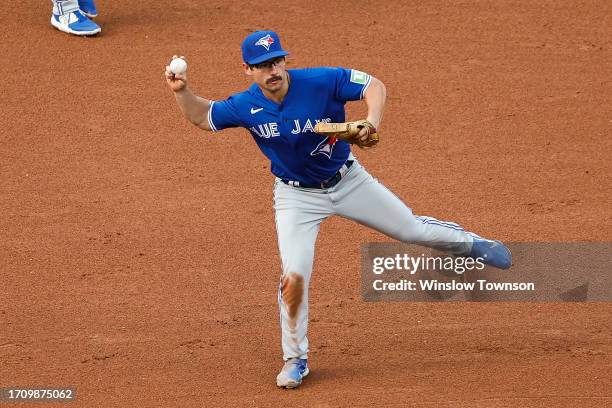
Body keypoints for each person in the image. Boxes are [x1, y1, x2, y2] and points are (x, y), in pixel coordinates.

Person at [164, 30, 512, 389]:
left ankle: (469, 243)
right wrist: (181, 92)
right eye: (262, 66)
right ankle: (295, 358)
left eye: (276, 61)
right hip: (295, 197)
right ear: (247, 70)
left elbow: (373, 85)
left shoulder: (322, 80)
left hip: (348, 182)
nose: (272, 71)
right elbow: (204, 116)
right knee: (294, 276)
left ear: (285, 61)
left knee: (411, 230)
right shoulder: (244, 105)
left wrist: (372, 120)